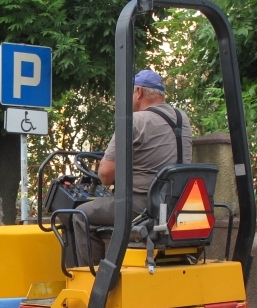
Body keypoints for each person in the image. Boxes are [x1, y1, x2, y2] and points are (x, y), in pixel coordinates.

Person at [72, 69, 193, 267]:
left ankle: (91, 283)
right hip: (178, 203)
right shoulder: (182, 119)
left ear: (138, 92)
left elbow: (105, 175)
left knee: (80, 215)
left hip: (143, 206)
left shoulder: (135, 121)